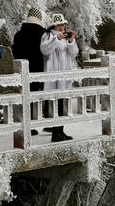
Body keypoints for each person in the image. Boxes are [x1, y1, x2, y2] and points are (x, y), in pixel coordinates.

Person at [40, 13, 78, 142]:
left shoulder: (65, 37)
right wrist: (56, 39)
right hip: (52, 73)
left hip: (64, 73)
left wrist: (71, 41)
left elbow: (74, 53)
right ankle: (55, 133)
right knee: (54, 103)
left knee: (62, 103)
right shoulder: (47, 36)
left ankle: (60, 131)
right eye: (59, 25)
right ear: (53, 25)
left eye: (63, 24)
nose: (62, 27)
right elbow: (45, 50)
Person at [12, 7, 46, 136]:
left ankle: (23, 124)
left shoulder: (18, 34)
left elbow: (15, 52)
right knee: (32, 98)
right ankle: (33, 124)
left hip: (21, 71)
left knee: (23, 98)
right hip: (38, 70)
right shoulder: (43, 34)